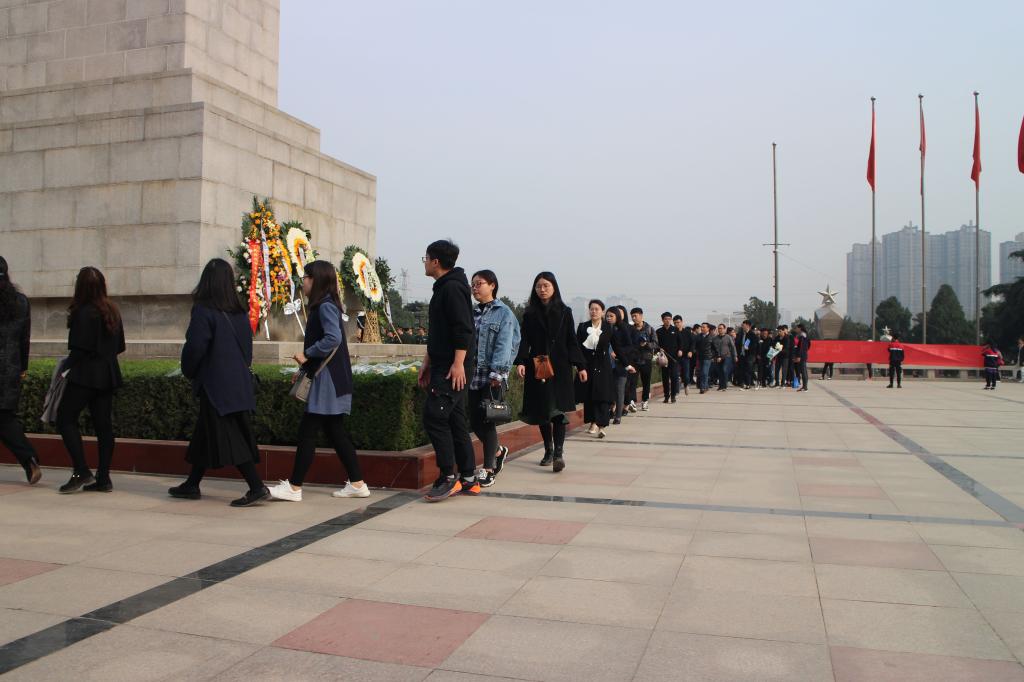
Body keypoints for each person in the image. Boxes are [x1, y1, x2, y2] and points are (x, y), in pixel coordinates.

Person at [168, 259, 270, 506]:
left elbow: (195, 347)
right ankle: (192, 483)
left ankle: (256, 486)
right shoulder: (240, 313)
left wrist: (189, 370)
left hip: (216, 385)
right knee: (205, 433)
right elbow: (247, 350)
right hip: (238, 383)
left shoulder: (204, 311)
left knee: (230, 435)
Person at [267, 260, 369, 502]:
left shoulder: (324, 307)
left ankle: (294, 487)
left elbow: (333, 338)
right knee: (335, 432)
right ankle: (357, 483)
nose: (303, 282)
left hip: (328, 380)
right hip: (332, 377)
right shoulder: (328, 305)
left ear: (317, 280)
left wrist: (307, 354)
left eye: (306, 277)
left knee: (308, 432)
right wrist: (306, 366)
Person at [56, 267, 125, 494]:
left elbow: (79, 350)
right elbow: (119, 346)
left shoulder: (84, 312)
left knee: (65, 418)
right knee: (103, 426)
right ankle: (103, 477)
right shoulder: (112, 311)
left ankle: (81, 470)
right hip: (107, 373)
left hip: (85, 374)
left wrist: (64, 368)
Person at [419, 240, 478, 502]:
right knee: (455, 419)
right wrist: (427, 362)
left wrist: (458, 364)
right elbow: (439, 334)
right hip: (444, 363)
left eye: (426, 258)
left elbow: (463, 329)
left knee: (434, 416)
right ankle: (468, 477)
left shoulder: (452, 288)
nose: (424, 263)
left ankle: (447, 476)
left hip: (452, 366)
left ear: (435, 262)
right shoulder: (445, 286)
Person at [515, 272, 586, 472]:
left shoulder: (565, 312)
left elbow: (571, 340)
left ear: (554, 287)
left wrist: (580, 366)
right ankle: (548, 449)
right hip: (538, 365)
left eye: (546, 285)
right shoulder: (529, 313)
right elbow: (524, 340)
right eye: (539, 286)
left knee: (558, 411)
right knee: (543, 410)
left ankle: (558, 454)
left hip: (560, 367)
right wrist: (520, 361)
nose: (542, 289)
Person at [468, 269, 520, 488]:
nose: (475, 287)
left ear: (492, 285)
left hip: (492, 375)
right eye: (473, 284)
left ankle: (488, 469)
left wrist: (498, 372)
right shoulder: (471, 312)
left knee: (487, 420)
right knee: (474, 420)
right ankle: (498, 451)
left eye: (479, 283)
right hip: (472, 374)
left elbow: (506, 343)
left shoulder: (503, 313)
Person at [0, 257, 41, 485]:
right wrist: (22, 367)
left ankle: (29, 458)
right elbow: (24, 339)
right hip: (11, 368)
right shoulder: (21, 302)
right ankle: (29, 460)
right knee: (5, 417)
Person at [577, 300, 614, 438]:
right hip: (588, 366)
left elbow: (617, 346)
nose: (594, 311)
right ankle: (593, 423)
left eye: (597, 309)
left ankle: (602, 425)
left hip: (603, 366)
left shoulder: (608, 327)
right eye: (591, 309)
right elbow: (578, 348)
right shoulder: (582, 327)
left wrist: (626, 363)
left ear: (602, 311)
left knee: (603, 396)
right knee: (590, 396)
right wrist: (580, 366)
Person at [607, 307, 636, 423]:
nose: (609, 318)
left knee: (620, 390)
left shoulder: (624, 328)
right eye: (607, 316)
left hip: (621, 363)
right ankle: (610, 410)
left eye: (611, 316)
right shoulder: (604, 327)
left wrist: (618, 353)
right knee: (609, 390)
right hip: (607, 364)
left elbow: (630, 347)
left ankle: (618, 416)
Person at [629, 308, 657, 411]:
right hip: (634, 359)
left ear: (641, 316)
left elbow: (655, 344)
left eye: (635, 316)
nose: (634, 318)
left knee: (646, 381)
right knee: (632, 381)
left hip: (646, 359)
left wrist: (646, 344)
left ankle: (645, 401)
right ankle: (632, 401)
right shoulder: (630, 329)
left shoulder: (650, 329)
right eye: (632, 316)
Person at [656, 312, 680, 403]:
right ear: (662, 320)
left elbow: (680, 342)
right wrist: (659, 349)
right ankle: (666, 396)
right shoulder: (659, 331)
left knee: (674, 377)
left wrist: (680, 350)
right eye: (666, 319)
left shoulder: (675, 330)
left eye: (669, 319)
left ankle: (673, 395)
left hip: (674, 358)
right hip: (663, 359)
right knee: (665, 378)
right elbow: (656, 344)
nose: (668, 320)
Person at [712, 323, 736, 391]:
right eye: (719, 328)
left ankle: (724, 385)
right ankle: (721, 386)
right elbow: (713, 349)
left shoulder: (728, 337)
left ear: (724, 329)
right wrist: (714, 357)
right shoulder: (715, 338)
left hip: (727, 356)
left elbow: (733, 347)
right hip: (717, 357)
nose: (720, 330)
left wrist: (735, 356)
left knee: (724, 370)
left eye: (721, 328)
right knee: (719, 371)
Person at [675, 316, 693, 396]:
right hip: (675, 357)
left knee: (686, 374)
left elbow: (692, 343)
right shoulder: (673, 332)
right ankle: (676, 390)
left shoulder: (687, 332)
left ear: (682, 322)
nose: (677, 324)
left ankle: (686, 385)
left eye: (678, 322)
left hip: (685, 356)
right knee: (676, 374)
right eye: (675, 323)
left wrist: (690, 351)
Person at [735, 320, 756, 390]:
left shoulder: (752, 334)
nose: (742, 326)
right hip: (742, 354)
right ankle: (742, 383)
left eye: (743, 325)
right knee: (741, 369)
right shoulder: (740, 334)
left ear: (748, 326)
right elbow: (737, 344)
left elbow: (754, 345)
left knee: (748, 369)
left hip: (749, 355)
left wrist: (748, 348)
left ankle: (748, 383)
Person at [697, 323, 716, 394]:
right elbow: (695, 346)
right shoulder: (698, 337)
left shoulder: (712, 337)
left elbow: (715, 348)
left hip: (708, 357)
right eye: (701, 327)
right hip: (700, 357)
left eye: (704, 327)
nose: (702, 328)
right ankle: (706, 386)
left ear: (708, 328)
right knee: (702, 372)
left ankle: (703, 387)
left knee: (704, 372)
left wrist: (714, 356)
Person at [793, 323, 811, 391]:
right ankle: (804, 386)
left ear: (800, 328)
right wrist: (805, 351)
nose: (796, 329)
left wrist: (799, 356)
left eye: (797, 328)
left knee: (803, 371)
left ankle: (805, 387)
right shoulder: (806, 335)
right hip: (804, 354)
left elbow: (801, 347)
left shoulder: (802, 336)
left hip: (802, 356)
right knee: (804, 371)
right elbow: (809, 345)